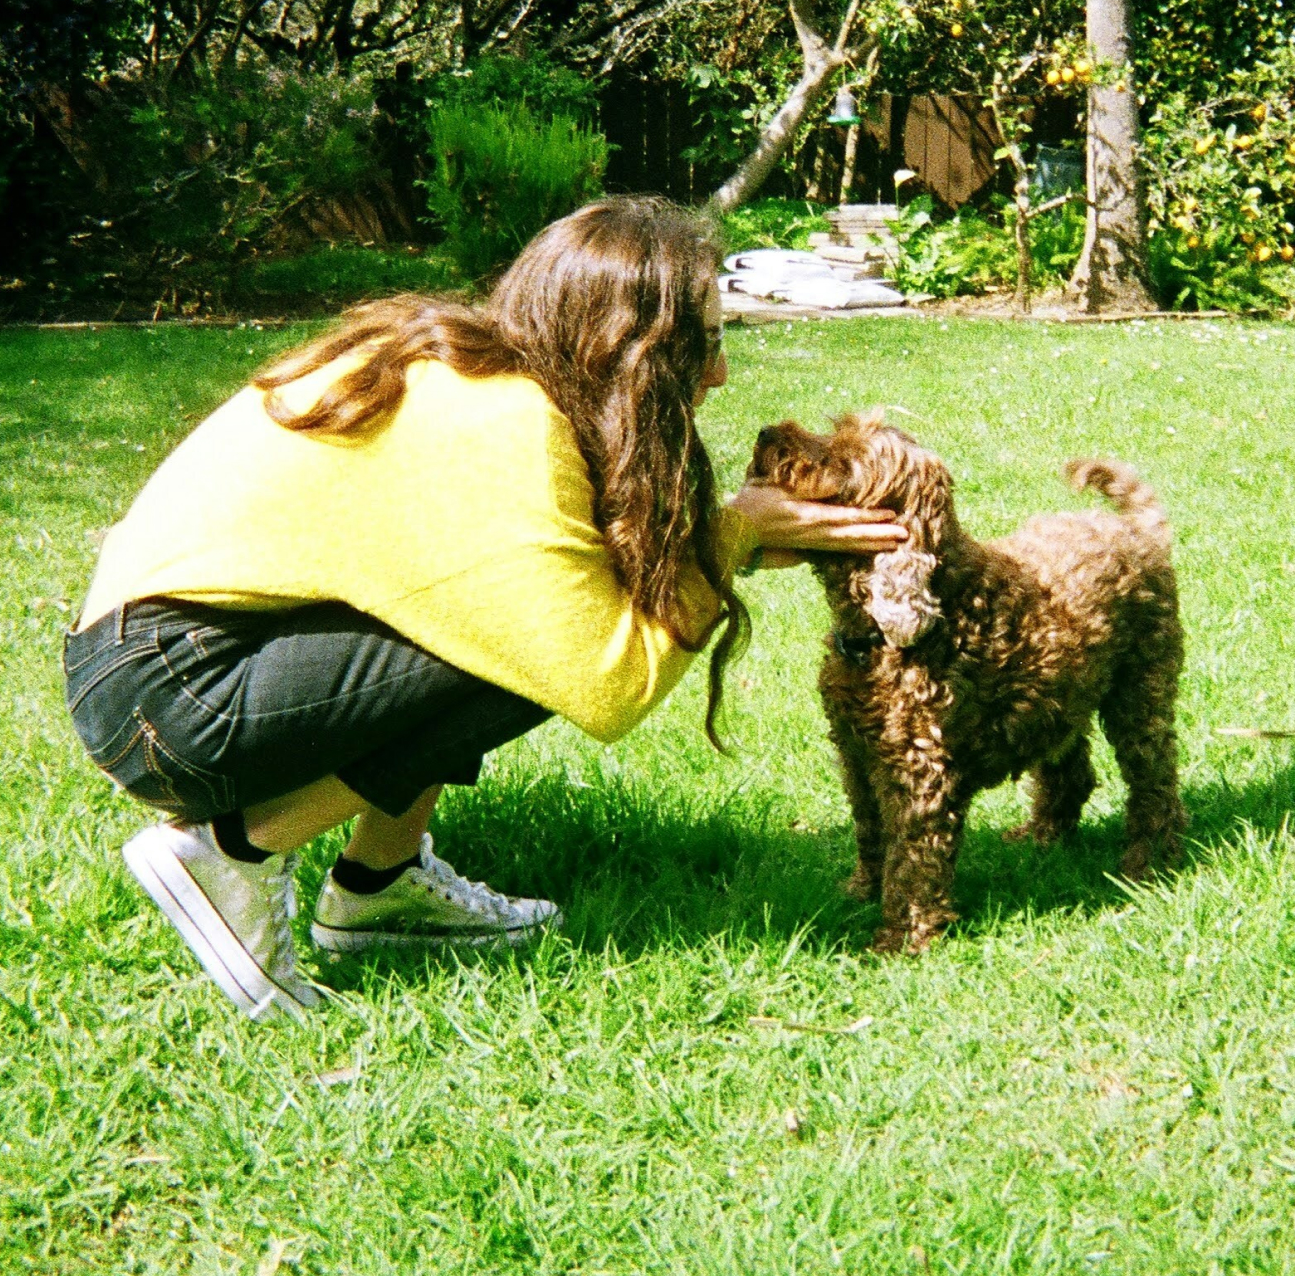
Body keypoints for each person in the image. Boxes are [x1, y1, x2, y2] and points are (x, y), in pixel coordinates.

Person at [62, 196, 907, 1020]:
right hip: (171, 697)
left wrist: (724, 542)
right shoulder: (510, 427)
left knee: (506, 620)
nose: (719, 371)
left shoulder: (484, 376)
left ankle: (379, 890)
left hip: (150, 667)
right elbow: (607, 683)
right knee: (539, 649)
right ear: (633, 347)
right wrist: (734, 536)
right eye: (704, 343)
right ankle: (231, 851)